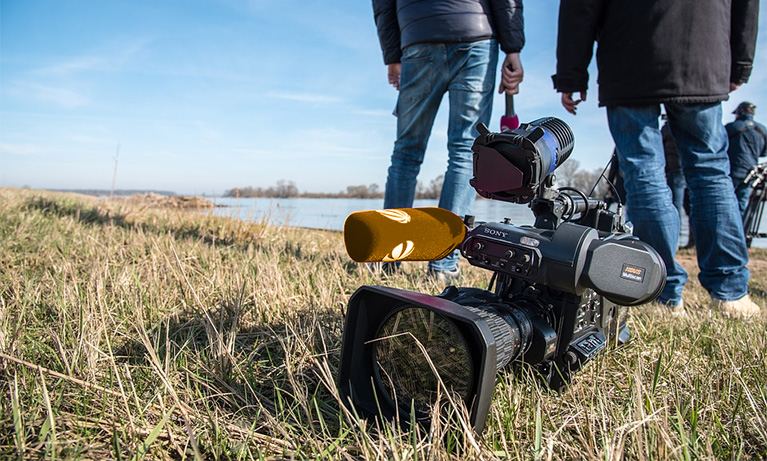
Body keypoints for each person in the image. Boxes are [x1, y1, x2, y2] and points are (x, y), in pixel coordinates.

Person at [552, 0, 761, 317]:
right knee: (710, 173)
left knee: (644, 176)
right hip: (703, 47)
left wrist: (571, 73)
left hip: (630, 53)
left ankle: (660, 291)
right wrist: (740, 62)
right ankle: (729, 292)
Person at [372, 0, 525, 280]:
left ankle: (388, 257)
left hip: (417, 36)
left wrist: (392, 55)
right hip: (475, 34)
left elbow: (383, 5)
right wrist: (512, 47)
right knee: (465, 151)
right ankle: (442, 265)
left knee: (406, 153)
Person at [725, 101, 767, 217]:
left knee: (726, 202)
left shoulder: (731, 127)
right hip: (750, 172)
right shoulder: (762, 130)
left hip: (732, 171)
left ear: (740, 111)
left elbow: (719, 147)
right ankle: (740, 232)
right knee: (742, 204)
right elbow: (764, 153)